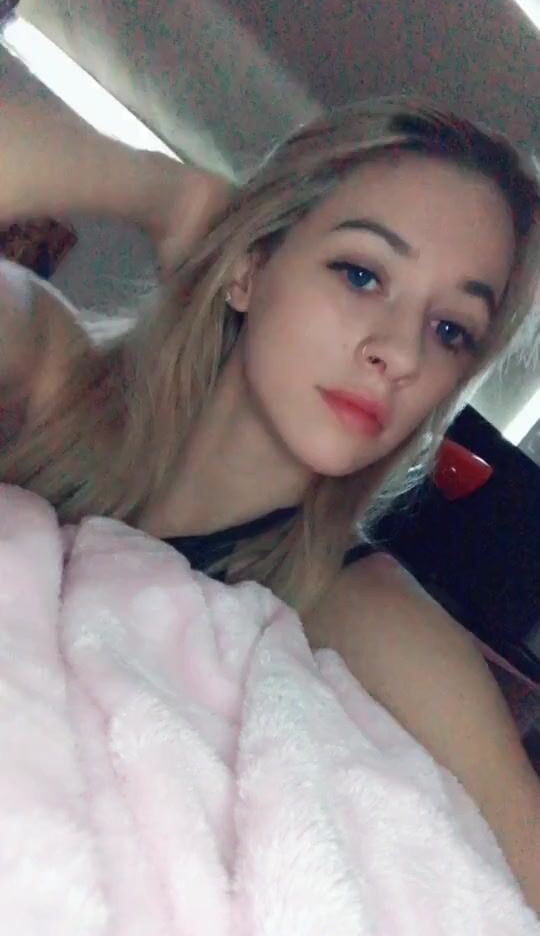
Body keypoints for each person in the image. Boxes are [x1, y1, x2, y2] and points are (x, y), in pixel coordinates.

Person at [0, 94, 539, 911]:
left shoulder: (369, 613)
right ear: (251, 267)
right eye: (362, 274)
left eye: (449, 330)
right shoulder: (49, 376)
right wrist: (171, 198)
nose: (398, 352)